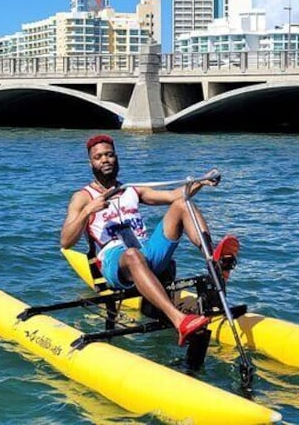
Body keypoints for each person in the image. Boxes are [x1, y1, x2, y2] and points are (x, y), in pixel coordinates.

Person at [60, 134, 237, 346]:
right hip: (115, 262)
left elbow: (174, 195)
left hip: (146, 253)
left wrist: (202, 182)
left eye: (109, 155)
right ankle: (179, 320)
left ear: (116, 158)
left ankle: (214, 262)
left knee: (182, 203)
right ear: (91, 163)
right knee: (133, 255)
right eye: (98, 157)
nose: (105, 160)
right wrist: (88, 210)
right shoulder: (82, 197)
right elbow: (66, 241)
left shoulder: (133, 189)